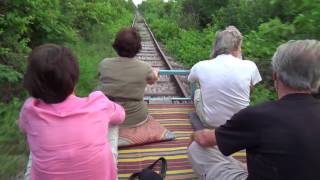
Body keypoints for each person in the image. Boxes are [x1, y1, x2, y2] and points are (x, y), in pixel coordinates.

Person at [188, 40, 320, 180]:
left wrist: (194, 136)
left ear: (275, 75)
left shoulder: (259, 115)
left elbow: (205, 140)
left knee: (197, 148)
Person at [19, 44, 125, 180]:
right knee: (112, 122)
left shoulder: (30, 110)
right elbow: (121, 115)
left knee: (37, 141)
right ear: (74, 77)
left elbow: (24, 128)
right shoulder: (99, 103)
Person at [188, 26, 262, 128]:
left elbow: (191, 79)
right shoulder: (250, 65)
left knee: (198, 92)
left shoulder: (201, 66)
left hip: (210, 123)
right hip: (240, 122)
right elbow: (250, 90)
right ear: (237, 47)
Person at [97, 27, 158, 128]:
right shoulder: (145, 67)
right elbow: (152, 81)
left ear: (116, 46)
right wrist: (155, 72)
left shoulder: (104, 63)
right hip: (136, 118)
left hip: (108, 117)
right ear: (138, 48)